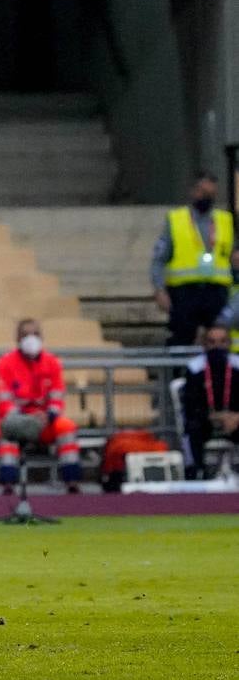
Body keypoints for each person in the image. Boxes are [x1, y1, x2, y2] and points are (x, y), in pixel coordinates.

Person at [0, 318, 82, 493]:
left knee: (67, 427)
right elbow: (3, 400)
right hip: (17, 419)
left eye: (35, 334)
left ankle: (72, 481)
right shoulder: (6, 363)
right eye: (26, 335)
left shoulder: (52, 363)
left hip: (44, 421)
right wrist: (22, 418)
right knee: (7, 430)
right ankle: (8, 483)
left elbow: (57, 396)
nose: (31, 338)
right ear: (18, 339)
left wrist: (49, 415)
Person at [150, 172, 233, 346]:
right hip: (184, 293)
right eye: (203, 192)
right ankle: (179, 373)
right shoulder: (176, 220)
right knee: (181, 339)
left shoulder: (224, 220)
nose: (207, 197)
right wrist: (159, 290)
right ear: (193, 192)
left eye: (211, 194)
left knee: (218, 340)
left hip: (216, 292)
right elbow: (158, 259)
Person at [180, 324, 239, 479]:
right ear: (205, 345)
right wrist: (216, 417)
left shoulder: (237, 366)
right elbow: (191, 405)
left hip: (235, 418)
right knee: (193, 427)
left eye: (222, 341)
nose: (217, 347)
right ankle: (199, 472)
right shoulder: (195, 369)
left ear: (229, 344)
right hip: (206, 419)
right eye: (212, 342)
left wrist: (236, 417)